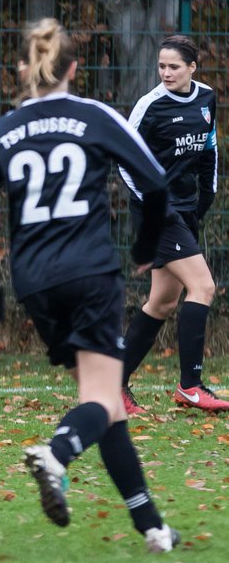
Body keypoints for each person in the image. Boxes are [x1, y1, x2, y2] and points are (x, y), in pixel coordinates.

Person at [0, 18, 179, 553]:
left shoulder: (1, 132)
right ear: (75, 69)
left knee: (106, 403)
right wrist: (145, 250)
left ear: (23, 69)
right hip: (89, 273)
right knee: (102, 400)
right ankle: (56, 454)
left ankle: (152, 527)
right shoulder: (95, 116)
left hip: (35, 282)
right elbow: (153, 182)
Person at [117, 35, 224, 415]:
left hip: (185, 211)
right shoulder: (150, 106)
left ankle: (114, 386)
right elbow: (124, 163)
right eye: (161, 66)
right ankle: (190, 385)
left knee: (161, 301)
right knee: (204, 286)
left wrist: (203, 203)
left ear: (193, 67)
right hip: (157, 214)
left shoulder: (206, 98)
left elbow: (209, 151)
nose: (165, 73)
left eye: (174, 66)